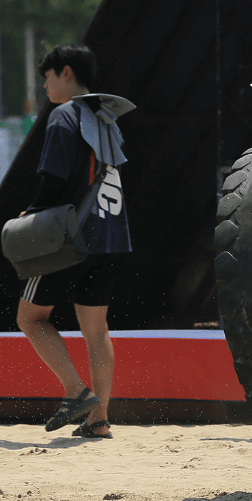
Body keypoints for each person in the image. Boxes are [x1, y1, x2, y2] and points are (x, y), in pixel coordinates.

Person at [15, 43, 133, 439]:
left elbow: (53, 179)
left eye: (47, 77)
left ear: (65, 73)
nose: (45, 86)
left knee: (29, 318)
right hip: (112, 235)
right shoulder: (107, 118)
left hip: (71, 238)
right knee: (96, 330)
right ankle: (99, 419)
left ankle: (76, 392)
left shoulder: (64, 114)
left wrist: (31, 217)